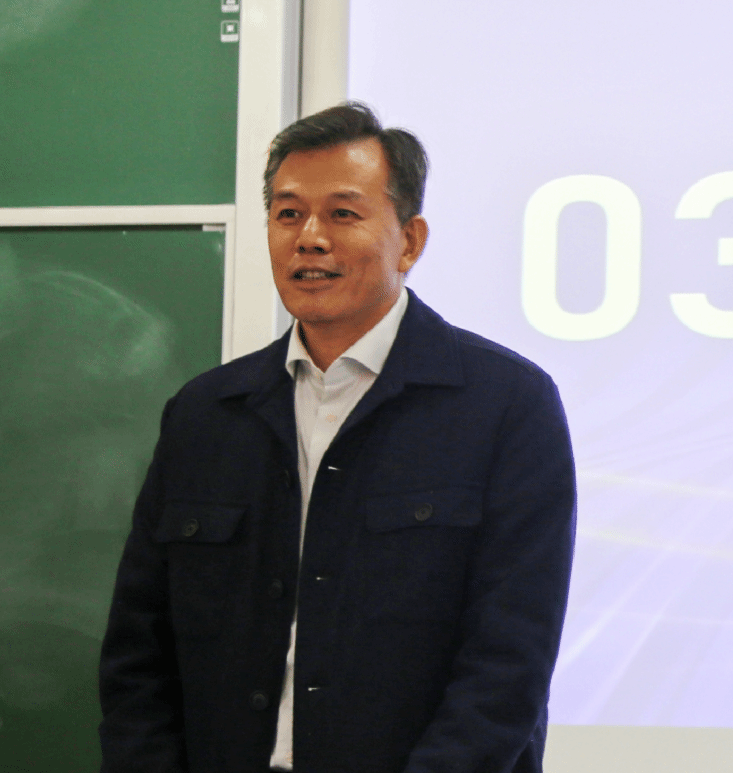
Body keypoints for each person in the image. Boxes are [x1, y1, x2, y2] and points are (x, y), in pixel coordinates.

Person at [98, 102, 576, 773]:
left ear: (409, 241)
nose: (309, 238)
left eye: (343, 214)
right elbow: (138, 655)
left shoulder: (507, 405)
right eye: (288, 214)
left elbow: (508, 665)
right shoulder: (206, 414)